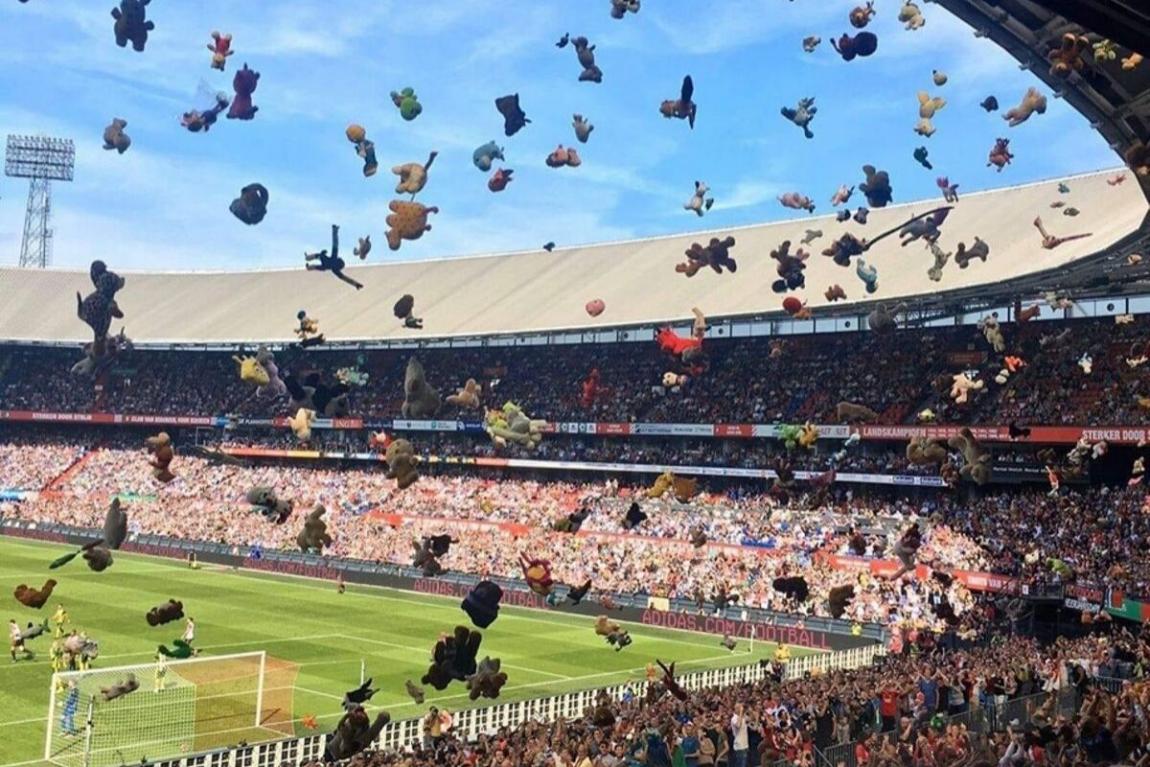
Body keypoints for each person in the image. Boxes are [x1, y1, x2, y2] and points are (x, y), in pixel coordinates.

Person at [305, 225, 364, 290]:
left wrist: (334, 230)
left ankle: (307, 258)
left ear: (339, 260)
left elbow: (335, 243)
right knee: (316, 264)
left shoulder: (334, 258)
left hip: (325, 261)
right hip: (325, 266)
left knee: (318, 256)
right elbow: (345, 278)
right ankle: (308, 265)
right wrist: (356, 284)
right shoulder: (335, 270)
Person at [730, 703, 749, 767]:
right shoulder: (734, 718)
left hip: (745, 744)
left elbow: (751, 720)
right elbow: (738, 725)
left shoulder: (743, 717)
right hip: (739, 745)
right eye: (739, 707)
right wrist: (741, 712)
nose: (741, 709)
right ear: (735, 709)